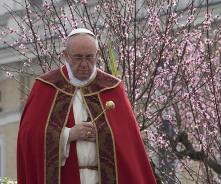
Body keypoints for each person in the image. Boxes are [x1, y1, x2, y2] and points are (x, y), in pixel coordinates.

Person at [17, 28, 156, 184]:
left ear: (97, 55)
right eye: (78, 57)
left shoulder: (112, 88)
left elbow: (129, 141)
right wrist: (69, 135)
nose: (84, 64)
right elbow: (28, 137)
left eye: (89, 57)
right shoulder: (46, 86)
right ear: (66, 55)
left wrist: (104, 135)